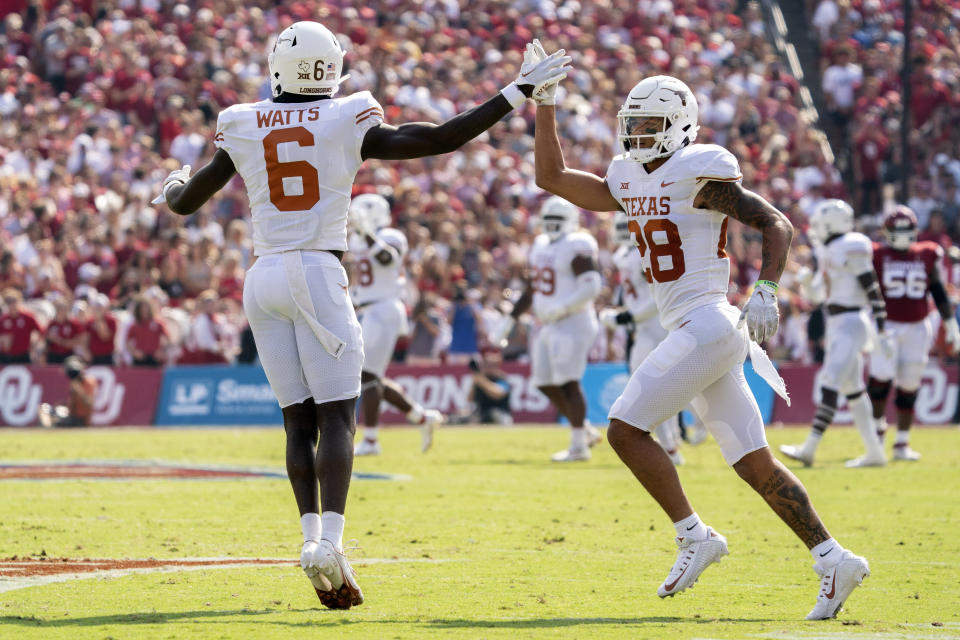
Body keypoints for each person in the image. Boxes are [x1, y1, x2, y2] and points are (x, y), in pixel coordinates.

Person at [154, 21, 569, 609]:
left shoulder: (241, 121)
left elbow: (187, 201)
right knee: (339, 417)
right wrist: (514, 92)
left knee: (297, 422)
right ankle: (332, 543)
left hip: (263, 276)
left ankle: (307, 540)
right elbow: (440, 138)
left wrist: (171, 185)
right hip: (319, 272)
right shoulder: (347, 114)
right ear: (331, 70)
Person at [533, 68, 868, 620]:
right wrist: (544, 105)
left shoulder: (699, 174)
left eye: (649, 122)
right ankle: (835, 558)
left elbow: (776, 223)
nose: (637, 131)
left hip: (709, 322)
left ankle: (695, 535)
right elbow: (553, 176)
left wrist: (766, 288)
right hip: (697, 330)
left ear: (680, 125)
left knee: (622, 429)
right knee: (754, 464)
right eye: (632, 121)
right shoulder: (627, 176)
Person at [492, 195, 603, 462]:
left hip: (573, 320)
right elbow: (534, 288)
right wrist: (511, 319)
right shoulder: (540, 245)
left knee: (568, 383)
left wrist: (563, 307)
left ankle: (579, 447)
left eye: (557, 220)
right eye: (548, 220)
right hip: (547, 323)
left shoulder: (577, 244)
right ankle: (585, 430)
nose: (552, 225)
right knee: (543, 382)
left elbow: (592, 287)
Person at [780, 200, 889, 468]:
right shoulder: (829, 249)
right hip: (838, 323)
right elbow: (818, 295)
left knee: (830, 382)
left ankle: (809, 448)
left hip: (851, 321)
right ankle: (875, 452)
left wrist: (882, 323)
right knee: (854, 391)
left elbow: (869, 283)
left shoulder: (851, 245)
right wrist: (806, 281)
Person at [599, 213, 705, 465]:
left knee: (652, 385)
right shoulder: (624, 255)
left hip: (657, 326)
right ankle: (671, 448)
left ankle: (698, 420)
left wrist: (625, 318)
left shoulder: (644, 254)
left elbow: (658, 295)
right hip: (645, 328)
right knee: (650, 387)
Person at [347, 193, 444, 456]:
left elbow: (387, 259)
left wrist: (366, 232)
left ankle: (371, 440)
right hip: (367, 308)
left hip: (385, 307)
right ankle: (421, 417)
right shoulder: (357, 240)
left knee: (366, 374)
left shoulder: (392, 236)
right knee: (368, 376)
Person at [866, 205, 960, 460]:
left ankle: (902, 444)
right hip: (886, 325)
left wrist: (951, 322)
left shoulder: (927, 253)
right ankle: (875, 436)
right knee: (880, 381)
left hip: (918, 327)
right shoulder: (876, 253)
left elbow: (938, 289)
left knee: (910, 384)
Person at [37, 356, 97, 428]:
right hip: (70, 416)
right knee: (43, 408)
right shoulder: (74, 382)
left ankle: (49, 430)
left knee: (53, 419)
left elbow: (89, 403)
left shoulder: (88, 382)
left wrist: (78, 389)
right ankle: (48, 429)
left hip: (80, 420)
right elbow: (72, 405)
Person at [0, 288, 43, 364]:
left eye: (13, 301)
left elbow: (42, 331)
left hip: (24, 356)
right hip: (6, 356)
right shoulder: (3, 319)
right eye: (8, 301)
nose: (11, 304)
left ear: (19, 301)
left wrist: (34, 344)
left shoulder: (27, 317)